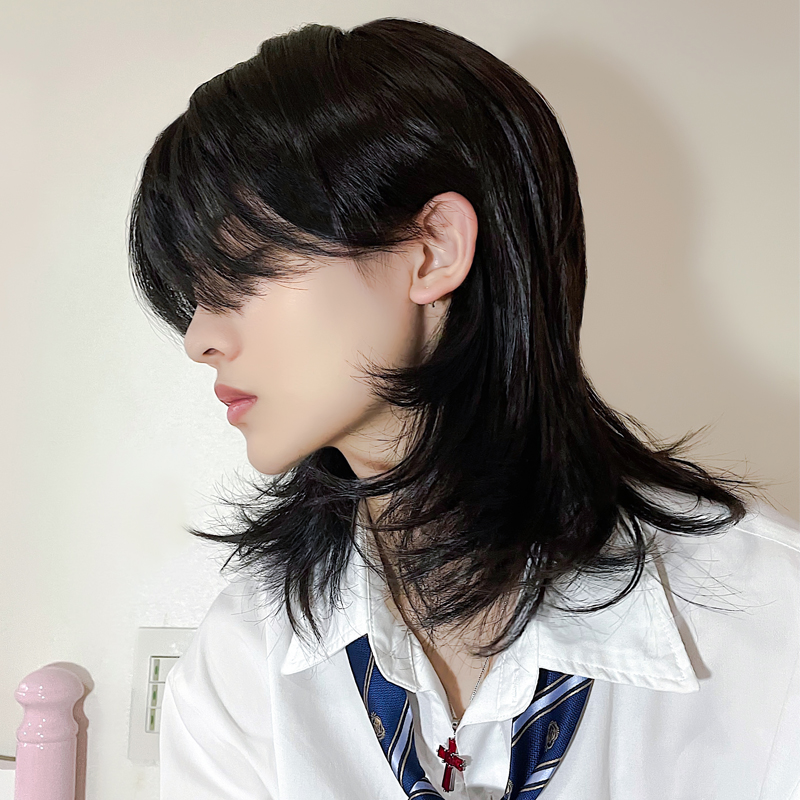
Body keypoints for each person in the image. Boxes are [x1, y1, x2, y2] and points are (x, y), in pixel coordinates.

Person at [127, 17, 799, 800]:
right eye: (195, 294)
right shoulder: (247, 656)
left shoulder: (771, 627)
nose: (200, 339)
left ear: (432, 250)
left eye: (242, 269)